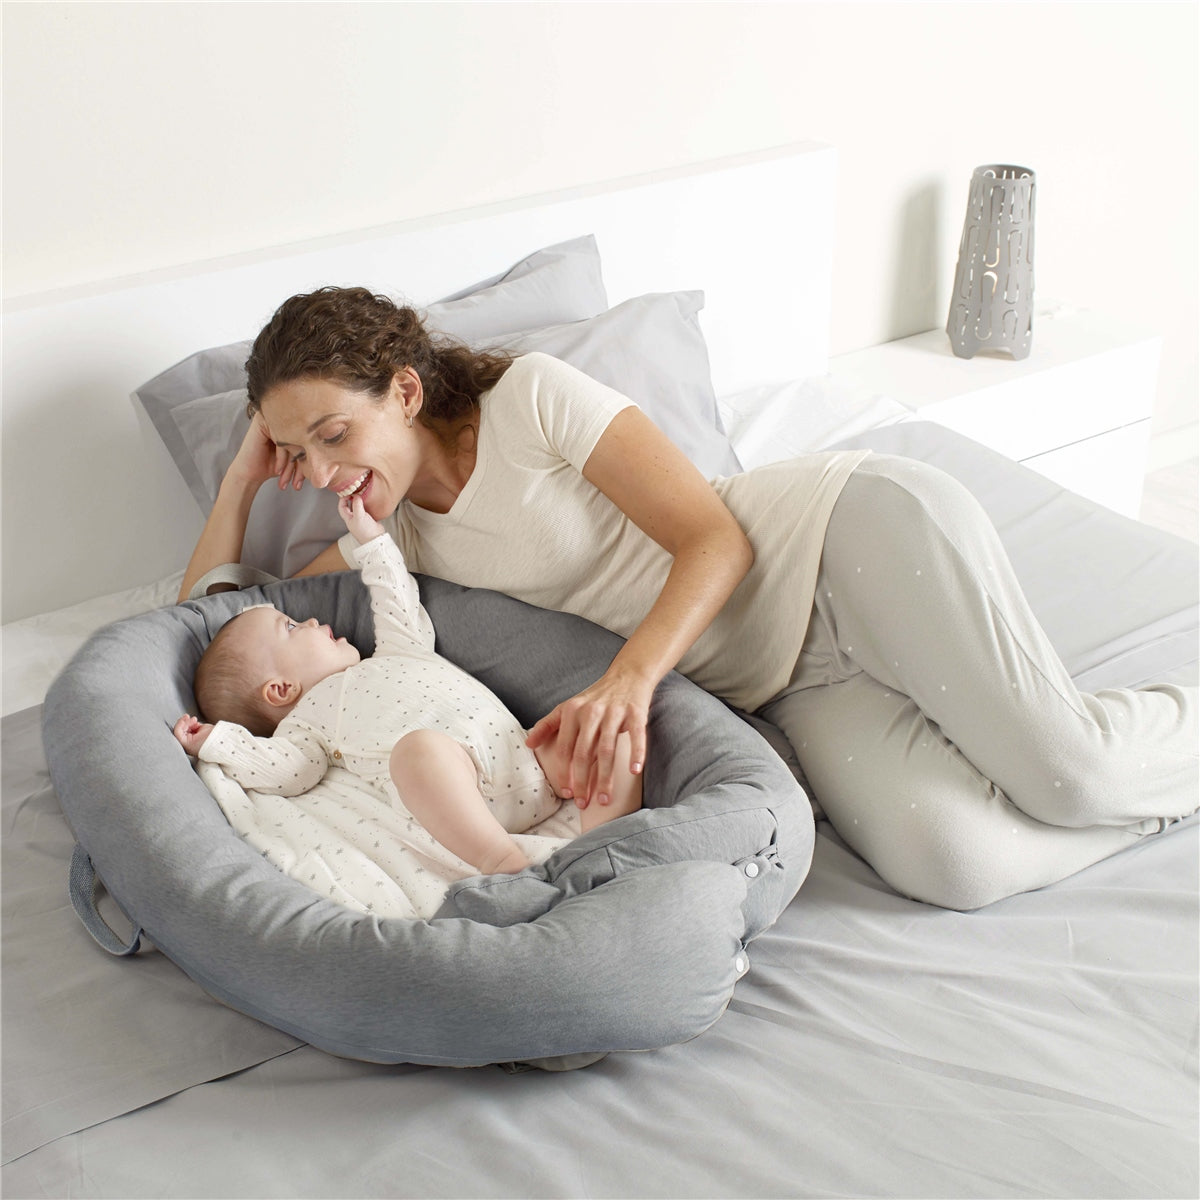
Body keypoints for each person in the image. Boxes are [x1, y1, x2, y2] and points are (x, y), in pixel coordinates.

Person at [179, 286, 1198, 910]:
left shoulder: (529, 397)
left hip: (841, 547)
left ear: (403, 391)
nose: (316, 470)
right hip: (788, 681)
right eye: (294, 452)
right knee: (952, 865)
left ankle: (1147, 737)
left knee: (1066, 776)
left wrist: (630, 681)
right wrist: (236, 482)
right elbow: (205, 629)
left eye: (332, 436)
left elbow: (715, 537)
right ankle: (1161, 793)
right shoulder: (390, 542)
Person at [175, 491, 643, 877]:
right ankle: (502, 862)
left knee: (610, 728)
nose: (314, 618)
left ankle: (600, 849)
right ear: (280, 690)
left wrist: (371, 540)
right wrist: (217, 742)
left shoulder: (399, 649)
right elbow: (285, 770)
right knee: (418, 752)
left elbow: (394, 597)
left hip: (531, 761)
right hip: (464, 801)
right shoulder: (306, 725)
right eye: (294, 628)